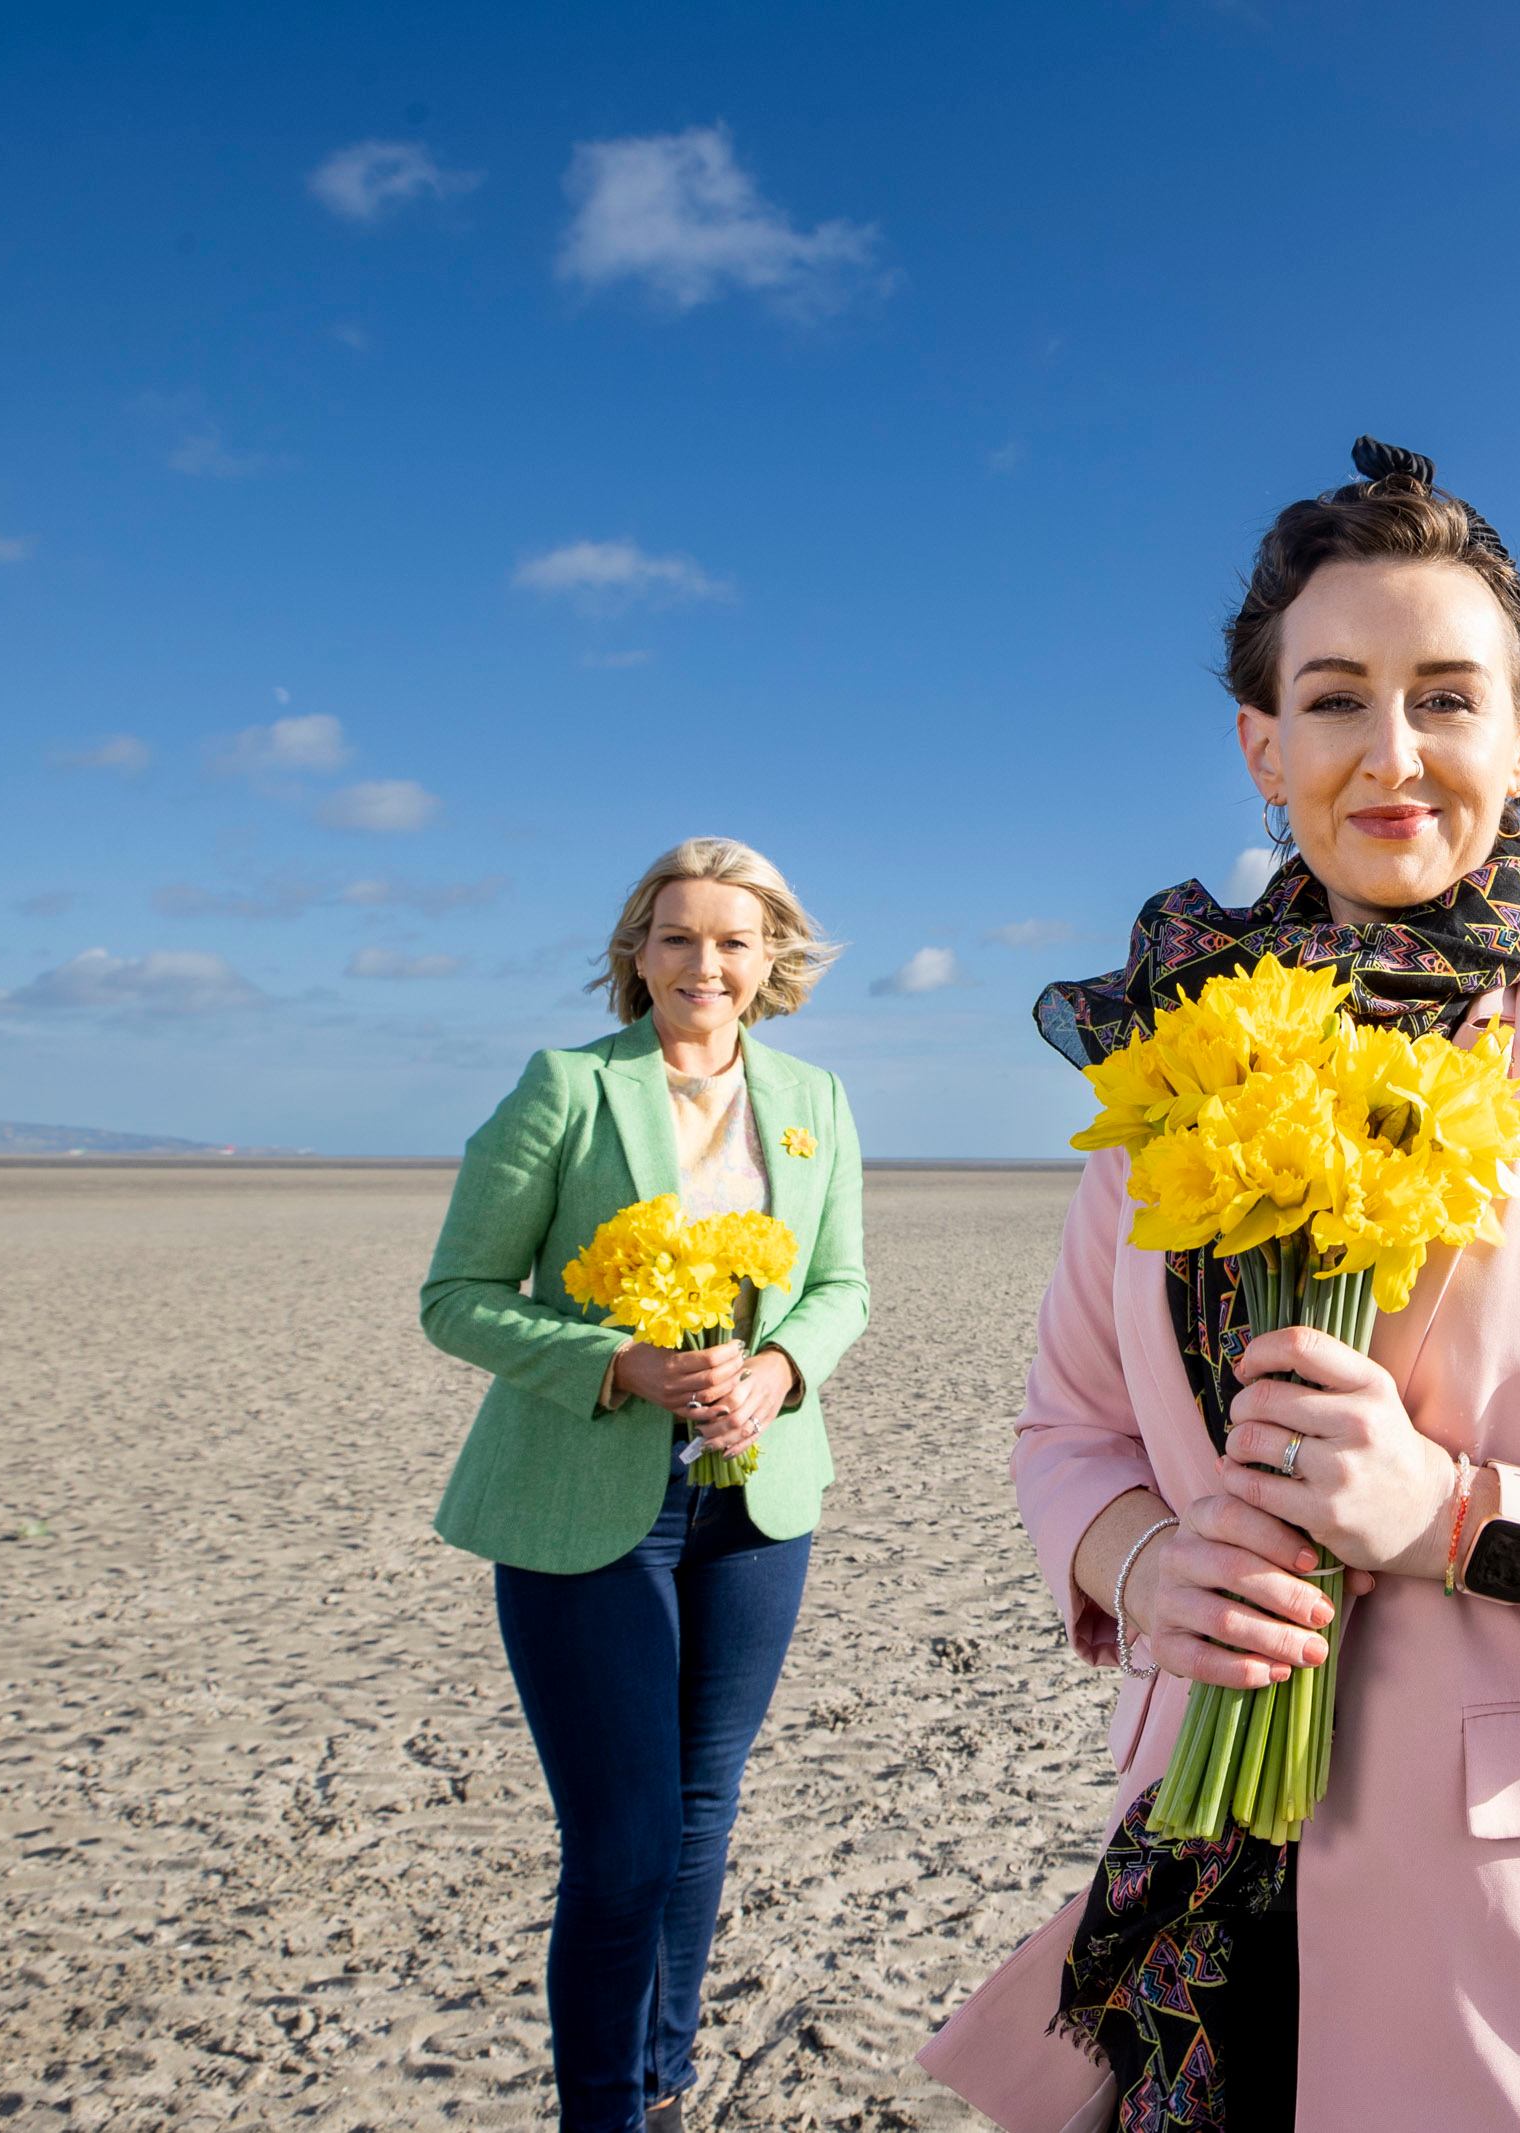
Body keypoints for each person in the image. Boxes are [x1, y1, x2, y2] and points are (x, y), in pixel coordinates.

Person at [918, 439, 1520, 2132]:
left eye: (1447, 698)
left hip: (1512, 1913)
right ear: (1263, 747)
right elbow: (1067, 1431)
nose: (1393, 755)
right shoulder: (1173, 1049)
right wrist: (1148, 1561)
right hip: (1203, 1883)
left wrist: (1462, 1517)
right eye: (1335, 699)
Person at [420, 837, 870, 2133]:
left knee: (700, 1813)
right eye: (679, 938)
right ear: (637, 952)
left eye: (734, 940)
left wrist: (779, 1372)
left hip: (757, 1505)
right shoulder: (567, 1089)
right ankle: (603, 2114)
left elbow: (842, 1285)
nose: (706, 964)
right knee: (622, 1845)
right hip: (587, 1507)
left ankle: (665, 2085)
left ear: (772, 956)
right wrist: (619, 1364)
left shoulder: (815, 1099)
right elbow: (456, 1298)